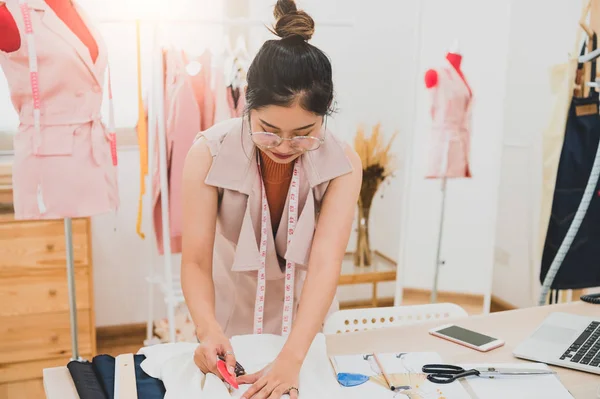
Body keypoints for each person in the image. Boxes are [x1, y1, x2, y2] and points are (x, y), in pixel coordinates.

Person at [181, 0, 362, 398]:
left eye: (303, 132)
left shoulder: (344, 165)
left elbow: (326, 263)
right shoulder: (207, 153)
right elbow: (194, 259)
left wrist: (293, 357)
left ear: (326, 114)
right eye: (267, 129)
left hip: (306, 326)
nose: (283, 145)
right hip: (229, 315)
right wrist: (207, 328)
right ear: (248, 102)